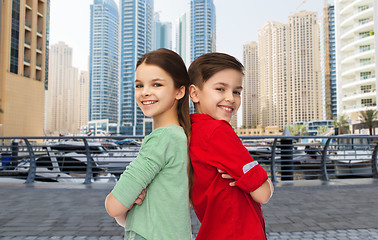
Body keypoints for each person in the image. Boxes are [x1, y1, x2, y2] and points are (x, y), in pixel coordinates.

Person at [105, 48, 192, 240]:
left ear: (180, 91)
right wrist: (128, 203)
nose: (145, 92)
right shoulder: (181, 136)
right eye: (139, 85)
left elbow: (114, 206)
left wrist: (125, 201)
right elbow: (127, 217)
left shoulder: (162, 139)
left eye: (157, 84)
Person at [188, 52, 274, 240]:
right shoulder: (218, 131)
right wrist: (261, 179)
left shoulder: (191, 130)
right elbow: (263, 193)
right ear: (194, 93)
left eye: (236, 91)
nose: (230, 98)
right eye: (220, 89)